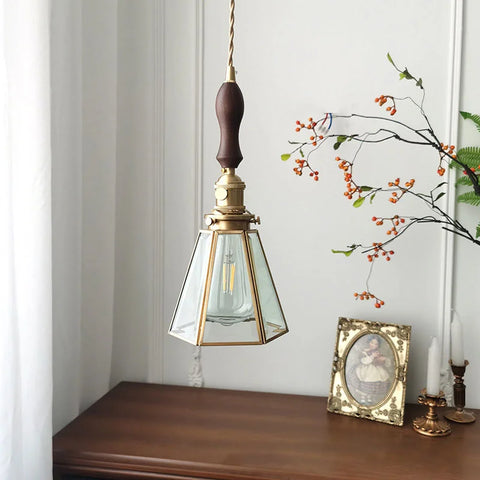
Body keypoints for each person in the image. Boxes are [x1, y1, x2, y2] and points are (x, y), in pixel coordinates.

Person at [348, 335, 392, 406]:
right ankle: (362, 399)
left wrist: (383, 359)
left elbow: (383, 362)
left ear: (378, 345)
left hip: (376, 371)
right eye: (372, 343)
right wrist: (372, 356)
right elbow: (364, 361)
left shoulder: (378, 352)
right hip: (365, 370)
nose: (373, 345)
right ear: (369, 342)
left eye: (376, 344)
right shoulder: (364, 352)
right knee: (365, 383)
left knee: (373, 384)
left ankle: (369, 399)